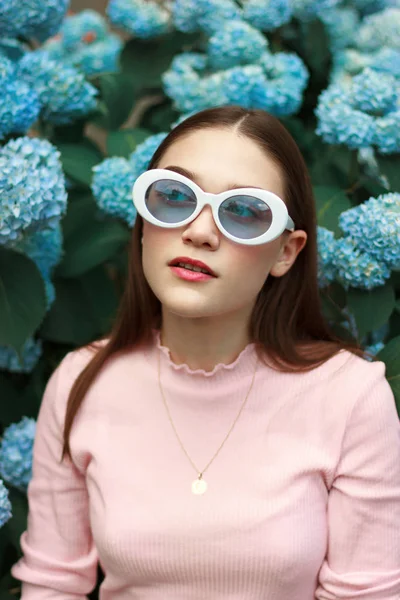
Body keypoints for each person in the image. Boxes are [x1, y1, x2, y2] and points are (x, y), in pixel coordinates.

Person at [11, 106, 400, 599]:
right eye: (174, 197)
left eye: (244, 211)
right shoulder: (81, 381)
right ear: (144, 223)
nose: (198, 231)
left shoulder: (349, 397)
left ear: (286, 251)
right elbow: (52, 584)